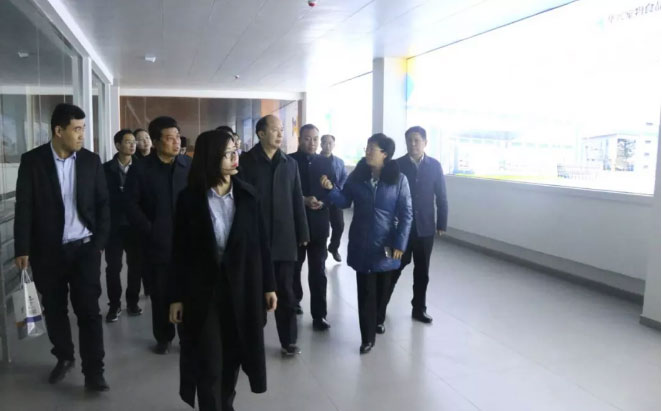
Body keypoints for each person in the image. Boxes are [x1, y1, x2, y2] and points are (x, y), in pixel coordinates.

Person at [169, 130, 277, 411]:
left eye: (235, 151)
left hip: (241, 291)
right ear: (210, 157)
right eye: (228, 153)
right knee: (209, 363)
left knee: (232, 359)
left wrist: (269, 286)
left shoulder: (248, 197)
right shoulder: (190, 200)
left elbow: (262, 245)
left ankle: (225, 404)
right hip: (203, 294)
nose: (234, 158)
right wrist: (176, 297)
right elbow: (179, 252)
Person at [14, 103, 111, 390]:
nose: (82, 135)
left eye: (83, 129)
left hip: (84, 249)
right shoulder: (33, 161)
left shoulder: (91, 161)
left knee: (89, 311)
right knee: (54, 308)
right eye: (77, 129)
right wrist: (22, 248)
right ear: (59, 130)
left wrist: (99, 244)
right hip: (48, 251)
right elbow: (24, 206)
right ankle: (64, 356)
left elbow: (103, 204)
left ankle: (94, 372)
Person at [321, 133, 412, 354]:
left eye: (373, 148)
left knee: (383, 290)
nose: (368, 152)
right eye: (367, 147)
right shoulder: (358, 176)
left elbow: (406, 213)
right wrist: (331, 190)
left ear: (385, 154)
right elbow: (344, 201)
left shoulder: (399, 180)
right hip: (362, 242)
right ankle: (367, 337)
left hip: (387, 244)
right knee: (366, 292)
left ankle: (379, 318)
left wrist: (400, 243)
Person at [238, 114, 309, 356]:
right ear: (261, 134)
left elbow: (297, 199)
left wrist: (303, 231)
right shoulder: (245, 163)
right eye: (275, 130)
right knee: (255, 292)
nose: (280, 134)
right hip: (255, 240)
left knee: (286, 292)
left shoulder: (290, 164)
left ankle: (288, 341)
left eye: (282, 130)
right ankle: (253, 340)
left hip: (284, 240)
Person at [124, 116, 192, 354]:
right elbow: (130, 204)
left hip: (186, 242)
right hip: (156, 243)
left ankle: (187, 336)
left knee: (187, 290)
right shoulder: (141, 169)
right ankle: (163, 337)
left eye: (178, 137)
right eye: (170, 138)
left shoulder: (187, 165)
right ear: (155, 142)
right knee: (160, 293)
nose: (176, 142)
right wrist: (150, 229)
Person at [386, 126, 448, 324]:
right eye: (409, 141)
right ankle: (380, 308)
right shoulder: (396, 165)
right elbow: (388, 196)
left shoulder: (434, 166)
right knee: (394, 268)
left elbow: (441, 196)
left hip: (425, 228)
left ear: (425, 142)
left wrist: (442, 222)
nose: (413, 144)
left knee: (422, 272)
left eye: (417, 140)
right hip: (402, 229)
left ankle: (419, 309)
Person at [290, 125, 335, 331]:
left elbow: (333, 191)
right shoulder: (289, 161)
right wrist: (303, 200)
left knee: (318, 271)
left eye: (315, 139)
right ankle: (294, 301)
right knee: (294, 267)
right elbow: (285, 192)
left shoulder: (325, 162)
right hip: (296, 224)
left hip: (318, 225)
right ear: (300, 139)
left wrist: (323, 201)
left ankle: (319, 315)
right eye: (307, 139)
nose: (312, 143)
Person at [103, 129, 143, 323]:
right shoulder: (105, 169)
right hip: (114, 226)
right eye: (128, 141)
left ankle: (133, 302)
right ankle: (114, 305)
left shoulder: (142, 167)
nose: (133, 144)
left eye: (134, 141)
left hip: (135, 225)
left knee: (135, 266)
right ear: (117, 145)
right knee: (113, 267)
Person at [320, 134, 348, 262]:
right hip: (321, 200)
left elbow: (344, 177)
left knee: (339, 226)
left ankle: (333, 247)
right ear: (321, 144)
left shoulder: (339, 162)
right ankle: (322, 251)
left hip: (335, 198)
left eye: (330, 143)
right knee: (323, 228)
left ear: (334, 145)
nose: (327, 145)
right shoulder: (315, 160)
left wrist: (337, 189)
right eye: (325, 142)